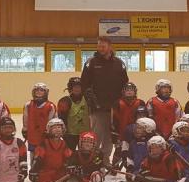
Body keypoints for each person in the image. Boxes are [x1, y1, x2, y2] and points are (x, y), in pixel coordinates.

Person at [80, 37, 129, 165]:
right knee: (96, 137)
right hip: (98, 109)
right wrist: (90, 99)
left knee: (109, 137)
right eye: (99, 46)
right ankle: (93, 162)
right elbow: (84, 84)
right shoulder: (91, 63)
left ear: (110, 47)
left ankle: (105, 162)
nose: (100, 49)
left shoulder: (119, 63)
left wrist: (122, 104)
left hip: (114, 109)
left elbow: (125, 84)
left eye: (103, 46)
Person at [29, 118, 73, 182]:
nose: (57, 129)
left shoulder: (63, 143)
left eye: (59, 127)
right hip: (46, 171)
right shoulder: (44, 143)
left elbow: (68, 155)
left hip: (58, 171)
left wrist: (71, 164)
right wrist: (34, 169)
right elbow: (38, 157)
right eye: (54, 127)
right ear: (49, 130)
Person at [22, 83, 57, 166]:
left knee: (45, 154)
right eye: (37, 90)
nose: (39, 92)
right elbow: (25, 119)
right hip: (33, 135)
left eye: (41, 90)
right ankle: (33, 170)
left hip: (45, 136)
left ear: (46, 92)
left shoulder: (50, 106)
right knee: (33, 154)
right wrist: (25, 129)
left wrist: (50, 132)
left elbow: (53, 120)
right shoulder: (28, 105)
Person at [111, 82, 145, 165]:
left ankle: (132, 167)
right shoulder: (117, 103)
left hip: (136, 133)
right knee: (118, 151)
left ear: (135, 92)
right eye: (127, 90)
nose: (129, 92)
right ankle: (114, 167)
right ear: (123, 92)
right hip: (121, 133)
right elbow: (113, 120)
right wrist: (114, 134)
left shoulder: (140, 103)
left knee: (134, 150)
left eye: (131, 90)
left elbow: (144, 119)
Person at [58, 77, 91, 151]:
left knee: (84, 155)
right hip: (70, 134)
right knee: (69, 154)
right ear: (70, 88)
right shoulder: (65, 101)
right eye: (75, 87)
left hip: (85, 133)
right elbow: (61, 118)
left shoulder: (88, 99)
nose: (77, 89)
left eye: (79, 87)